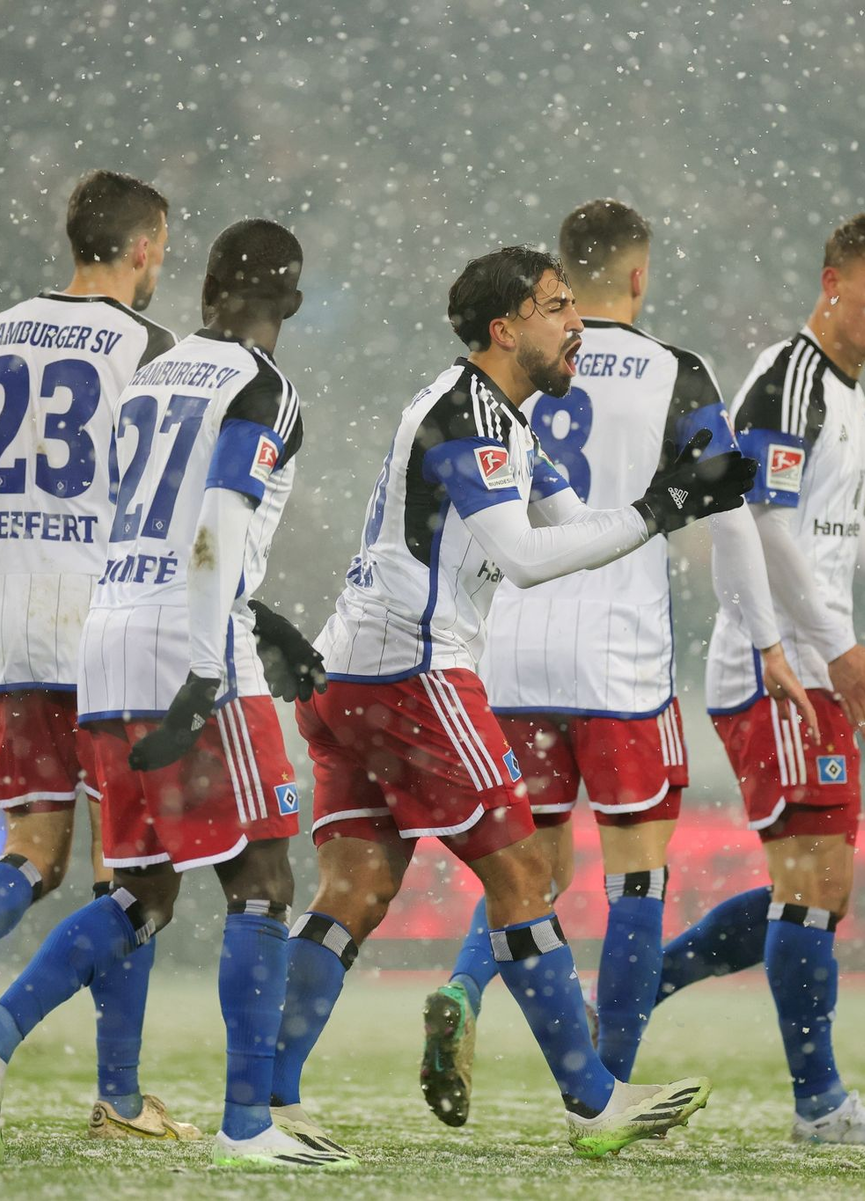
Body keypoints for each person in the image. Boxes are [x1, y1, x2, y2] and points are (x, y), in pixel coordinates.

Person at [268, 244, 755, 1158]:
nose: (576, 322)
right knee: (524, 877)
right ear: (506, 328)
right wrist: (658, 508)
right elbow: (530, 559)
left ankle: (270, 1096)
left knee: (357, 889)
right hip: (410, 672)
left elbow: (574, 527)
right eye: (557, 306)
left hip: (352, 672)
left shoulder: (497, 416)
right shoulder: (470, 415)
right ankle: (593, 1102)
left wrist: (679, 503)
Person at [421, 199, 813, 1126]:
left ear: (561, 277)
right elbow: (726, 515)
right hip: (619, 660)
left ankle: (466, 990)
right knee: (636, 875)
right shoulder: (675, 372)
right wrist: (764, 636)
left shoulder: (511, 369)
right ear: (639, 275)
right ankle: (608, 1086)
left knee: (530, 868)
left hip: (512, 651)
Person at [0, 218, 346, 1169]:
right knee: (265, 878)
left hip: (104, 637)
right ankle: (248, 1123)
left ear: (203, 288)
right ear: (294, 301)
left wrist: (259, 619)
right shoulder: (263, 385)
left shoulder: (154, 375)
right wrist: (207, 665)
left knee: (143, 892)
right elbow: (220, 522)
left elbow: (144, 512)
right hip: (185, 644)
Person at [658, 212, 865, 1146]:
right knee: (811, 883)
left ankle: (629, 996)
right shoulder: (791, 378)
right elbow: (761, 520)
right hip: (778, 667)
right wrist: (832, 643)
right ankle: (821, 1105)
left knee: (817, 889)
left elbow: (837, 519)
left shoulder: (846, 390)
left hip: (809, 662)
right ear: (831, 281)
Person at [0, 169, 198, 1141]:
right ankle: (103, 1086)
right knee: (138, 874)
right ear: (146, 245)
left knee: (32, 859)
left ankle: (120, 1100)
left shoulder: (1, 328)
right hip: (104, 626)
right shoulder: (154, 352)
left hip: (9, 623)